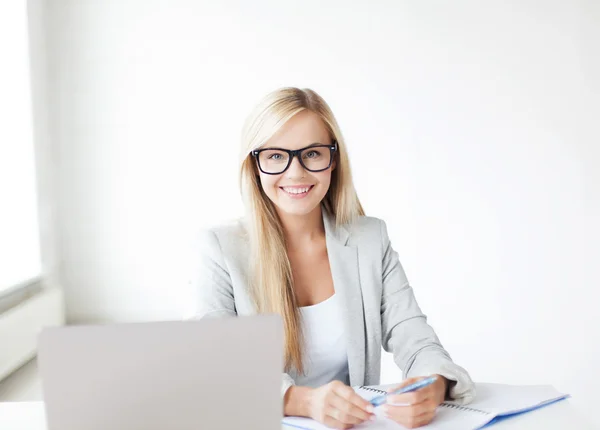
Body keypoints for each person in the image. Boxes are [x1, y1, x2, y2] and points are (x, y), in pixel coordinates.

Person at [191, 87, 475, 429]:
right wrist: (305, 402)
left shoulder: (370, 240)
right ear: (254, 165)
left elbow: (415, 339)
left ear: (334, 159)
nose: (295, 173)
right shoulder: (220, 248)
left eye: (311, 153)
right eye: (276, 156)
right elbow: (213, 364)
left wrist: (432, 384)